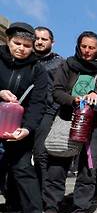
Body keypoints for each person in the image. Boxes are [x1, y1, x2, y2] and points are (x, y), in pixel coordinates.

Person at [42, 31, 97, 213]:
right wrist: (72, 100)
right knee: (57, 167)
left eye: (91, 47)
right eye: (83, 46)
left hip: (95, 124)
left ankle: (80, 211)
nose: (87, 51)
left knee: (88, 169)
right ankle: (51, 210)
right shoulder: (68, 65)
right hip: (68, 119)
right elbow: (57, 91)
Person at [0, 22, 49, 213]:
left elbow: (38, 103)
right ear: (8, 41)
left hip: (19, 129)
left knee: (24, 171)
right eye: (16, 43)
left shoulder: (38, 70)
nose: (21, 48)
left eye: (26, 45)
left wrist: (27, 129)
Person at [32, 26, 65, 193]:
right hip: (24, 112)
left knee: (41, 155)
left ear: (52, 42)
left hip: (48, 112)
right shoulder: (25, 60)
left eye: (43, 39)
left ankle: (44, 195)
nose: (39, 41)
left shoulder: (60, 63)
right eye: (36, 38)